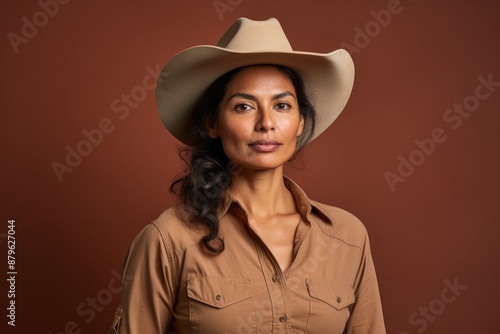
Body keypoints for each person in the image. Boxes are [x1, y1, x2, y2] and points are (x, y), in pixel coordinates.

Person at [110, 17, 386, 334]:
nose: (266, 122)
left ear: (300, 122)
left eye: (282, 105)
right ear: (212, 123)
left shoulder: (347, 237)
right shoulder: (168, 240)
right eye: (244, 106)